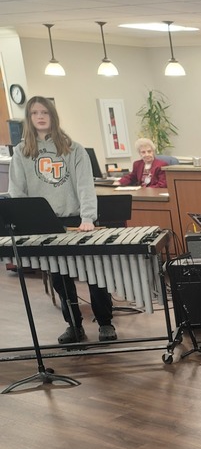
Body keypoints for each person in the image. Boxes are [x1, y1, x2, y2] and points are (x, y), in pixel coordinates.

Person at [9, 96, 116, 343]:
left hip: (77, 221)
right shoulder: (21, 152)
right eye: (34, 113)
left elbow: (85, 186)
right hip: (44, 223)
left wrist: (88, 217)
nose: (40, 116)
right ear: (29, 118)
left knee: (95, 275)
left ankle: (105, 323)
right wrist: (25, 221)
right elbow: (17, 191)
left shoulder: (73, 148)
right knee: (59, 278)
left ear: (52, 115)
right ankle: (74, 325)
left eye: (44, 112)